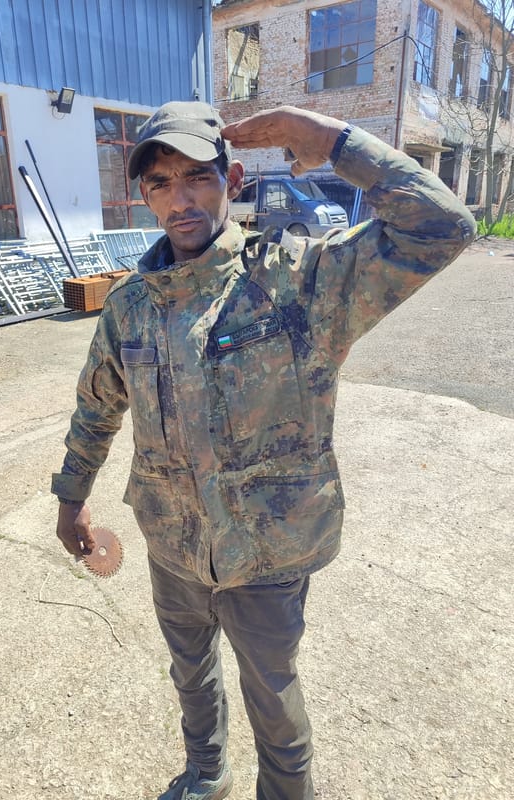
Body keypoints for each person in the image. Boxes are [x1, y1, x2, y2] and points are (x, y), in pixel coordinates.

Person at [52, 101, 475, 800]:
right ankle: (206, 773)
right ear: (145, 196)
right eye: (161, 183)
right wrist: (71, 496)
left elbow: (442, 226)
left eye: (198, 176)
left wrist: (333, 141)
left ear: (233, 179)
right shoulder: (131, 307)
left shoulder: (300, 281)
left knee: (272, 696)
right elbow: (97, 404)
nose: (181, 200)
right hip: (172, 543)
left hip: (266, 553)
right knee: (190, 673)